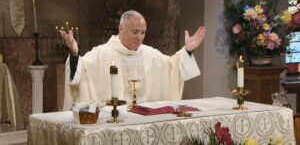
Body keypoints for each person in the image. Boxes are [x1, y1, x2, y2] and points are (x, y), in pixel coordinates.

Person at [60, 10, 206, 110]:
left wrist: (188, 50)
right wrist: (74, 53)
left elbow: (172, 67)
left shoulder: (151, 54)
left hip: (144, 122)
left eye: (143, 32)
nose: (140, 37)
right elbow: (80, 72)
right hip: (113, 123)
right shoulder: (102, 53)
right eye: (135, 32)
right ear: (121, 28)